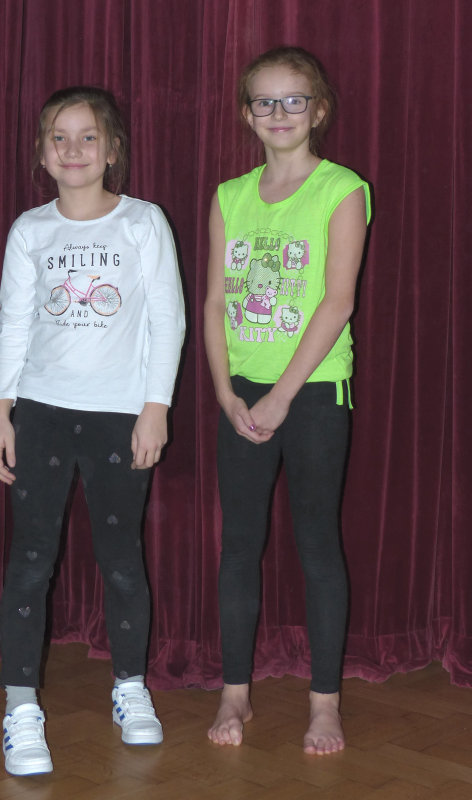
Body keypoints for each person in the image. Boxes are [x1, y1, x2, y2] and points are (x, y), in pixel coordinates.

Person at [0, 86, 185, 776]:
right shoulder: (30, 230)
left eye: (88, 137)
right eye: (59, 138)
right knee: (30, 560)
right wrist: (1, 413)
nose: (73, 150)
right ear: (42, 154)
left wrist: (155, 407)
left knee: (120, 557)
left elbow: (168, 319)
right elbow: (15, 323)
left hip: (118, 415)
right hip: (41, 412)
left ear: (112, 150)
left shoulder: (143, 223)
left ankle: (130, 686)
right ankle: (20, 707)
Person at [204, 47, 371, 755]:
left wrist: (281, 397)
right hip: (242, 396)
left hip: (313, 394)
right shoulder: (229, 196)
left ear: (318, 109)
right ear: (247, 115)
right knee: (239, 546)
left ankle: (324, 704)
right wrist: (224, 392)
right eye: (264, 102)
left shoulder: (342, 189)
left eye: (293, 100)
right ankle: (234, 693)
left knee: (317, 545)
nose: (279, 113)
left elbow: (337, 302)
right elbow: (215, 302)